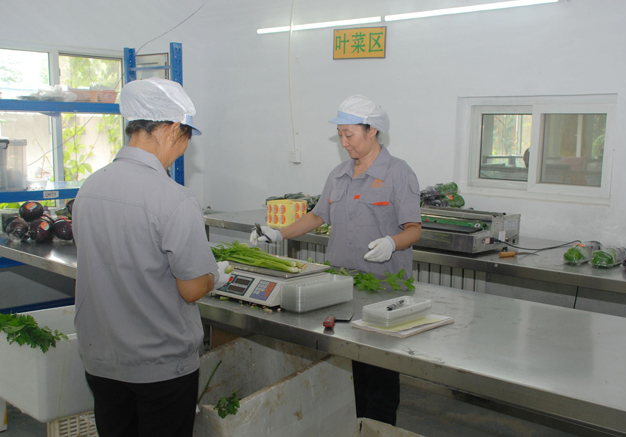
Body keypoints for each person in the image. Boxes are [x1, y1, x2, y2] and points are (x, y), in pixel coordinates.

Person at [73, 77, 230, 437]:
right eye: (186, 138)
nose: (183, 148)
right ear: (173, 129)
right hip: (160, 368)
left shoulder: (89, 188)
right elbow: (191, 289)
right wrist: (214, 275)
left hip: (102, 361)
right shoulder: (174, 199)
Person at [250, 94, 422, 425]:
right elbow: (318, 216)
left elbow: (414, 229)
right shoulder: (339, 174)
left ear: (372, 131)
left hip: (383, 290)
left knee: (381, 375)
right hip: (342, 288)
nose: (344, 142)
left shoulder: (399, 173)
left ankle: (378, 430)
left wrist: (392, 242)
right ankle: (355, 426)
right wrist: (279, 234)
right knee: (353, 368)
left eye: (349, 134)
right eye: (340, 135)